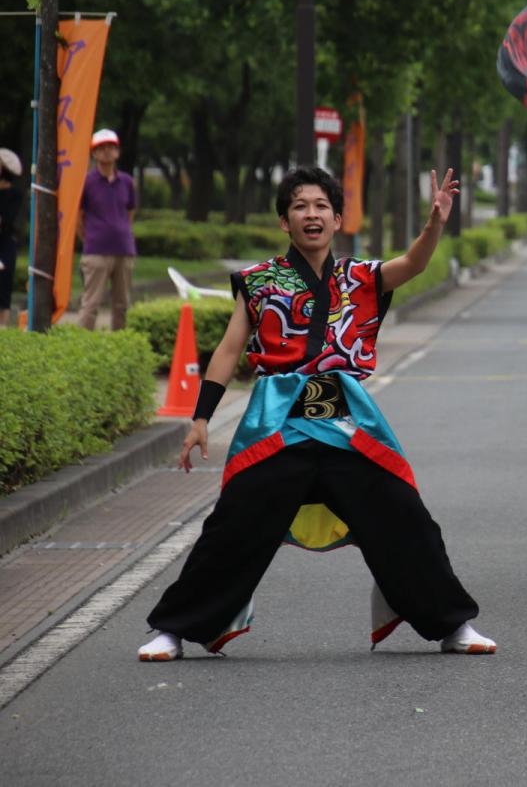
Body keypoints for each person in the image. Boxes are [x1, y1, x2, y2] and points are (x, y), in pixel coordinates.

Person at [136, 166, 495, 662]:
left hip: (348, 429)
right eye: (300, 206)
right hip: (280, 429)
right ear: (285, 221)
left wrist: (434, 223)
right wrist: (200, 418)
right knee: (232, 528)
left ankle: (453, 625)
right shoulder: (259, 282)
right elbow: (227, 350)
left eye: (321, 206)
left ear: (338, 218)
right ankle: (172, 630)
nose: (312, 214)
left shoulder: (360, 277)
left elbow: (412, 264)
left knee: (407, 518)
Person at [78, 129, 138, 331]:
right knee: (91, 303)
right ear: (93, 154)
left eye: (111, 148)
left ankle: (119, 343)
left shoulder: (127, 182)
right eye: (101, 148)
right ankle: (81, 345)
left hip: (124, 250)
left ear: (117, 152)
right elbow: (79, 216)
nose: (106, 152)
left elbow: (130, 211)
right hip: (96, 250)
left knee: (122, 304)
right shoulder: (86, 182)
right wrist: (87, 238)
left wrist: (123, 232)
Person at [0, 148, 22, 328]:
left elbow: (8, 220)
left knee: (4, 283)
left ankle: (3, 327)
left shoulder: (15, 194)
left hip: (6, 242)